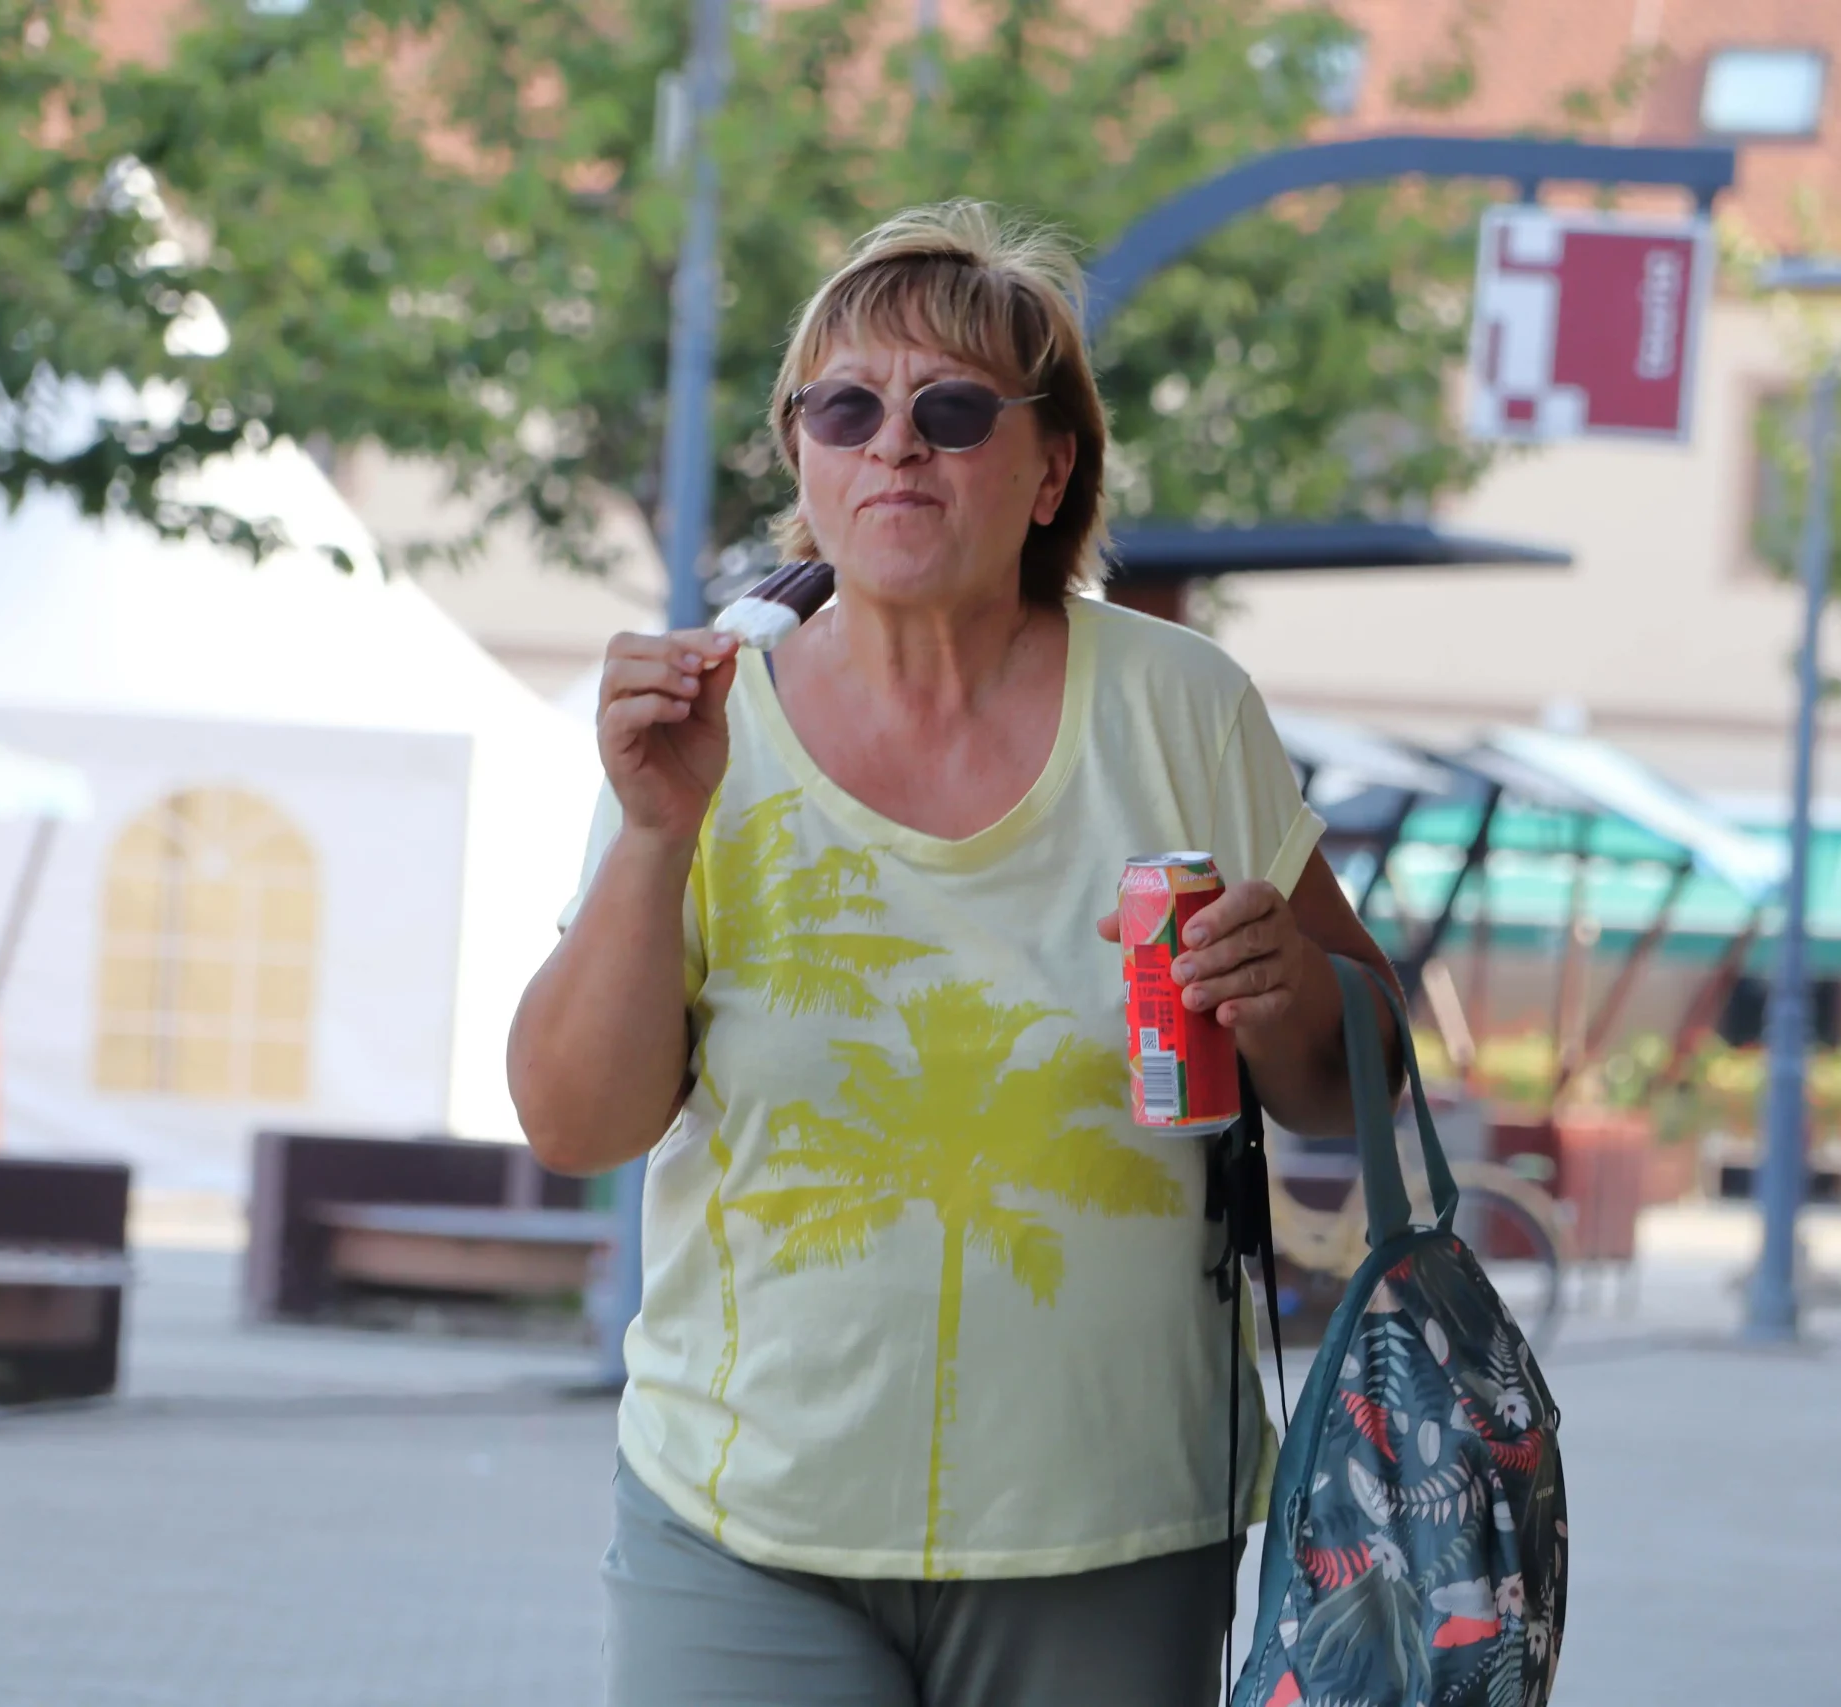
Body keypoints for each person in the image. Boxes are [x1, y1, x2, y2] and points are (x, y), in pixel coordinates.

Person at [508, 200, 1397, 1707]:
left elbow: (1358, 1068)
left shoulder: (1180, 708)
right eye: (847, 406)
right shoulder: (704, 719)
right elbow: (575, 1120)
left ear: (1053, 468)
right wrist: (657, 832)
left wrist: (1295, 989)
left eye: (956, 409)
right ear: (803, 455)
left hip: (1110, 1520)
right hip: (747, 1509)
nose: (895, 444)